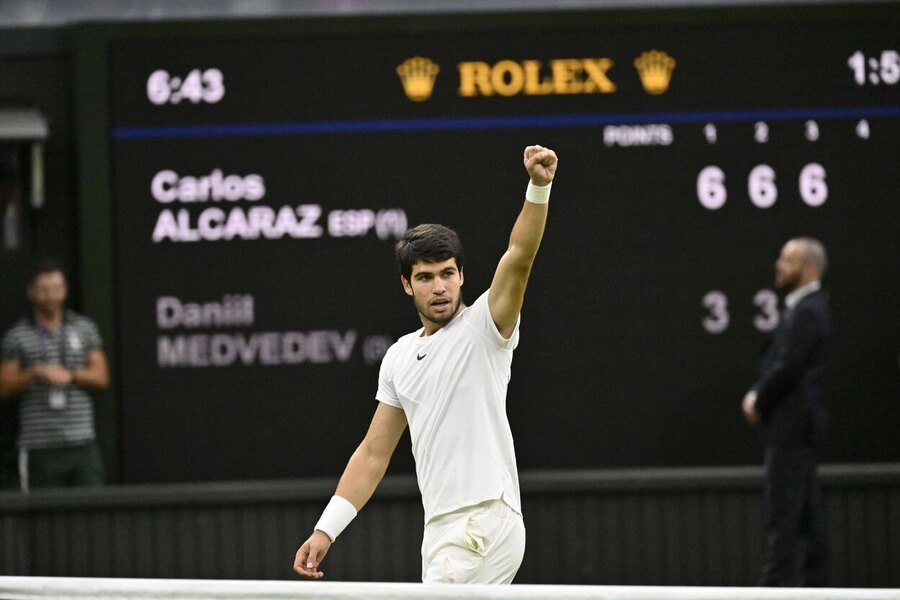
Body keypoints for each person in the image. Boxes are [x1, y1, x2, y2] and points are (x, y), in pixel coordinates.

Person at [293, 145, 558, 584]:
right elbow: (374, 453)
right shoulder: (399, 357)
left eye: (447, 273)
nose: (439, 286)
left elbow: (519, 256)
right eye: (425, 276)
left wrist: (539, 187)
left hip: (483, 520)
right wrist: (326, 528)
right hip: (440, 529)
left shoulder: (485, 327)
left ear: (461, 276)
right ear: (406, 284)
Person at [742, 237, 831, 587]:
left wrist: (757, 400)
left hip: (790, 429)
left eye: (788, 260)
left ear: (808, 269)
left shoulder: (808, 311)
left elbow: (787, 367)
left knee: (783, 521)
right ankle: (816, 589)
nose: (779, 265)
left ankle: (775, 590)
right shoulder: (805, 309)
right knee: (807, 522)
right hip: (795, 429)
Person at [0, 258, 110, 492]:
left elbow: (101, 376)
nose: (52, 296)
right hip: (39, 446)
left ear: (65, 290)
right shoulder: (16, 336)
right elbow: (4, 386)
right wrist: (35, 372)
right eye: (45, 290)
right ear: (31, 292)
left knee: (91, 514)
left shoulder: (84, 328)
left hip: (81, 442)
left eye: (57, 289)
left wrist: (70, 375)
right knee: (44, 520)